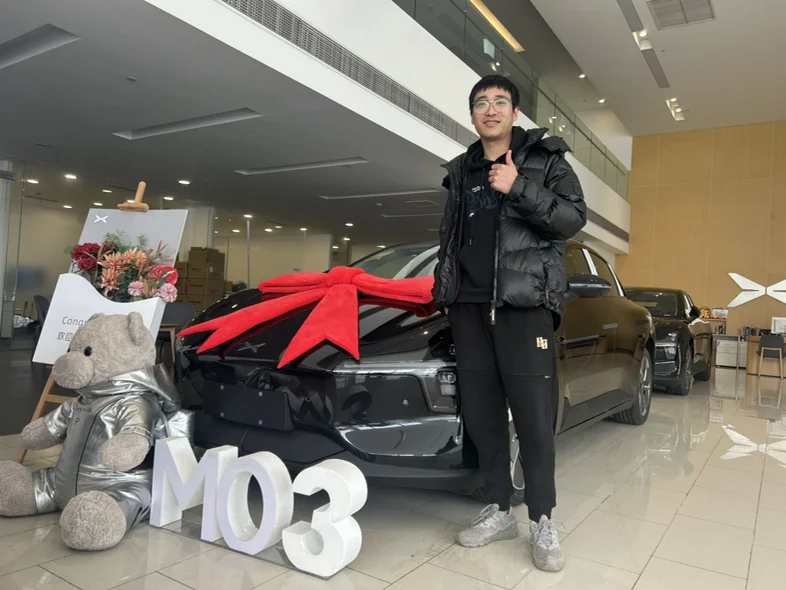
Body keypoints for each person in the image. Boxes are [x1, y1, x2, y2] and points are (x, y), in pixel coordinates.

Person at [432, 75, 587, 572]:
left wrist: (518, 186)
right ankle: (500, 509)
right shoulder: (462, 170)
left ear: (515, 112)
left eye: (501, 101)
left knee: (534, 419)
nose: (491, 109)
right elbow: (451, 239)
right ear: (472, 114)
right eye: (481, 102)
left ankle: (542, 518)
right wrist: (445, 292)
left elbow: (572, 218)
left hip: (522, 307)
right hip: (469, 309)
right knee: (483, 417)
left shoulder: (545, 159)